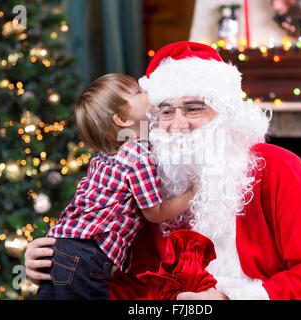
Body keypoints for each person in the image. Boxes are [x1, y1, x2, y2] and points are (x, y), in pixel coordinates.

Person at [26, 42, 301, 300]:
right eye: (165, 110)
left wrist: (230, 299)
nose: (178, 125)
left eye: (194, 108)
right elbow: (132, 287)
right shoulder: (153, 185)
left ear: (228, 112)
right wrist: (59, 270)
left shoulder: (280, 169)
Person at [36, 73, 198, 300]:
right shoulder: (138, 154)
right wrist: (192, 193)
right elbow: (155, 212)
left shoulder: (107, 156)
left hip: (62, 248)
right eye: (138, 91)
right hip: (86, 256)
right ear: (122, 119)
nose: (146, 90)